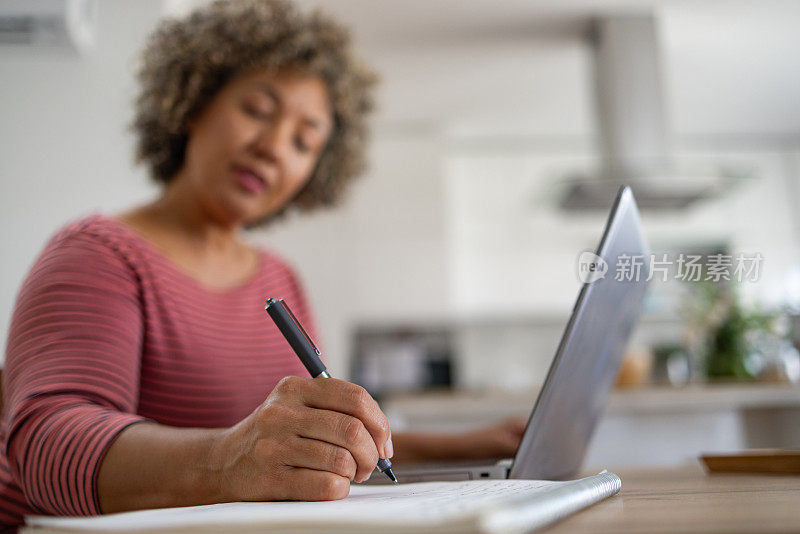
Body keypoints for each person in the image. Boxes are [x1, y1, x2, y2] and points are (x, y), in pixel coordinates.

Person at [0, 0, 524, 529]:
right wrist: (229, 459)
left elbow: (298, 446)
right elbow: (46, 445)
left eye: (303, 141)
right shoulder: (98, 254)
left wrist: (473, 444)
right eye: (256, 109)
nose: (274, 148)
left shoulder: (280, 279)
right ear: (193, 102)